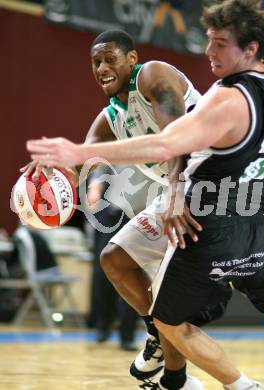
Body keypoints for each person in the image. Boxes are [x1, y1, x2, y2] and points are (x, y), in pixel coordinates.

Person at [26, 1, 264, 389]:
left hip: (199, 210)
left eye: (219, 44)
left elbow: (166, 146)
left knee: (169, 318)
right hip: (255, 217)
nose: (208, 52)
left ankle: (232, 384)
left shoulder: (223, 95)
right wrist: (57, 169)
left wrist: (76, 152)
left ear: (250, 48)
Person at [24, 29, 212, 389]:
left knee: (173, 296)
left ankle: (179, 378)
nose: (102, 68)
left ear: (132, 59)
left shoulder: (154, 75)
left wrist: (175, 191)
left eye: (110, 59)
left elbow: (177, 141)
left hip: (211, 183)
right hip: (178, 191)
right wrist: (51, 172)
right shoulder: (110, 117)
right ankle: (158, 340)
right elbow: (82, 161)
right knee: (115, 259)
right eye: (96, 62)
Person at [86, 166, 139, 350]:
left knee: (136, 273)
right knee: (103, 272)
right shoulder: (118, 137)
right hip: (112, 213)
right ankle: (103, 324)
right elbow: (102, 160)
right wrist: (95, 186)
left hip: (143, 213)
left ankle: (128, 334)